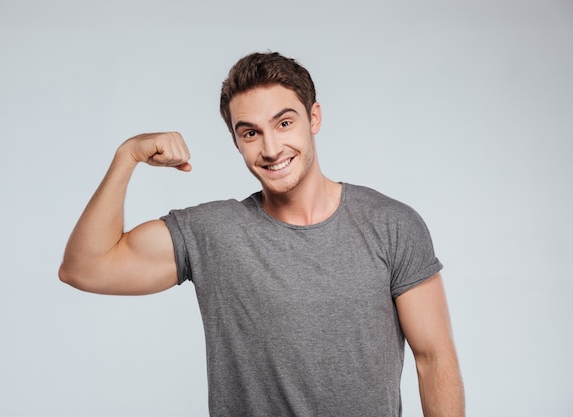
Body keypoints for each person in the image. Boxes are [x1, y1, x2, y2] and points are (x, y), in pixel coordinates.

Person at [59, 51, 465, 416]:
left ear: (314, 118)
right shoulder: (213, 232)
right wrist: (126, 156)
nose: (271, 148)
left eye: (284, 123)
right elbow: (86, 268)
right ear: (236, 141)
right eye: (250, 132)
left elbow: (433, 359)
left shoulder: (390, 224)